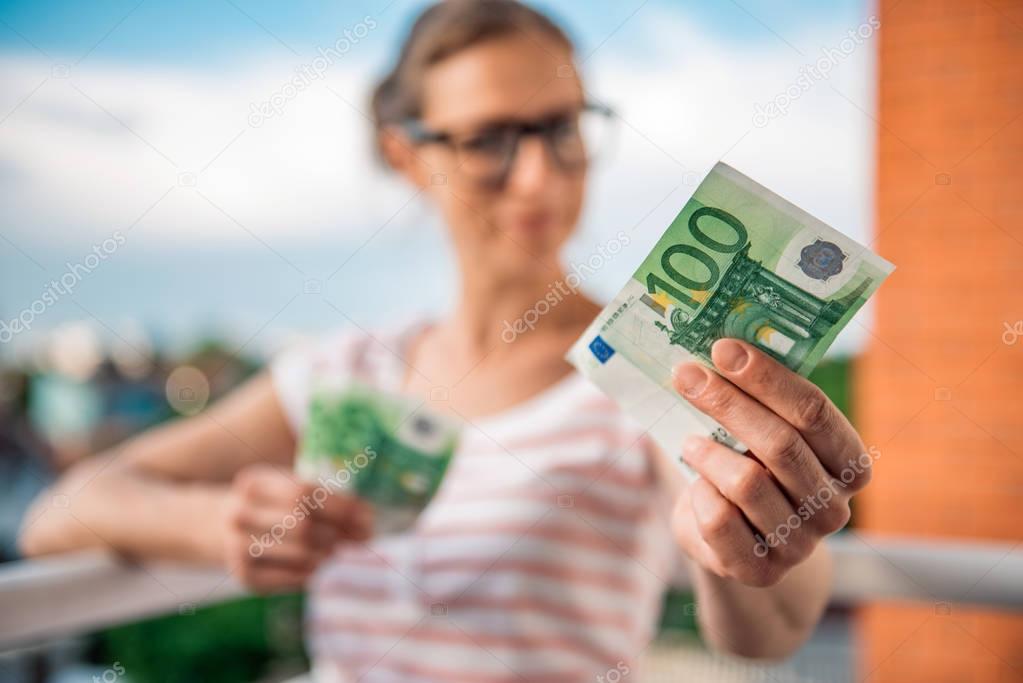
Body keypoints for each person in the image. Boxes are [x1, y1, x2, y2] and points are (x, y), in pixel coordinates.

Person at [20, 1, 871, 679]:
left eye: (562, 128)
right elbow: (62, 511)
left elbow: (769, 625)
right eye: (491, 141)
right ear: (406, 154)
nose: (538, 175)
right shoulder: (343, 371)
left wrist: (760, 547)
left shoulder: (642, 370)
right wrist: (215, 524)